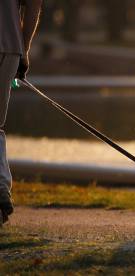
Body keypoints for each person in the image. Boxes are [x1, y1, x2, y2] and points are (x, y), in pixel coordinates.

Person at [0, 0, 42, 226]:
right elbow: (34, 4)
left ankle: (1, 187)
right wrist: (24, 49)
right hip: (10, 45)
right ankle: (1, 187)